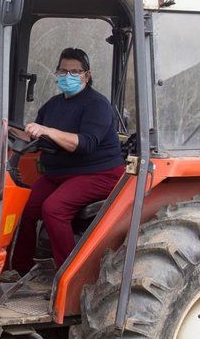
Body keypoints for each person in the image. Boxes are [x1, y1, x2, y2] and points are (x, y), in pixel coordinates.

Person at [11, 47, 125, 274]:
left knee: (54, 209)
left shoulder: (97, 105)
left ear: (87, 75)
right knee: (24, 206)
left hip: (97, 174)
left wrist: (48, 130)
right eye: (63, 71)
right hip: (58, 174)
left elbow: (84, 144)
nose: (68, 76)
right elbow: (36, 134)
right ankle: (16, 269)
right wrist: (10, 131)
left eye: (75, 72)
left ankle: (70, 275)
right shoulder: (53, 105)